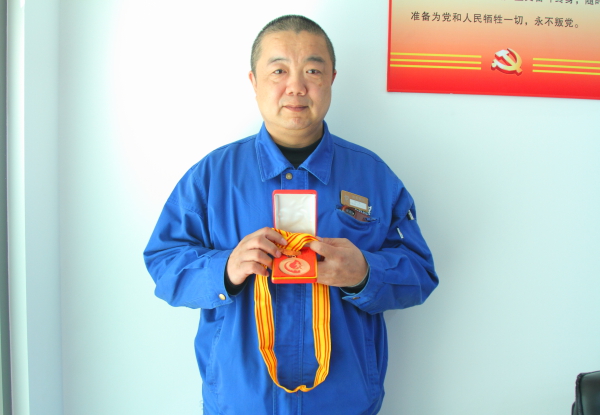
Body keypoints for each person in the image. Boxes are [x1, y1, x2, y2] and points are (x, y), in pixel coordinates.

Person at [144, 14, 438, 415]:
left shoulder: (373, 176)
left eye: (312, 70)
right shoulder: (212, 176)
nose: (296, 86)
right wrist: (225, 269)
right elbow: (163, 262)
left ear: (331, 78)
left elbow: (420, 273)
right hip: (241, 401)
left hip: (344, 402)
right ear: (254, 81)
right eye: (279, 70)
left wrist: (364, 273)